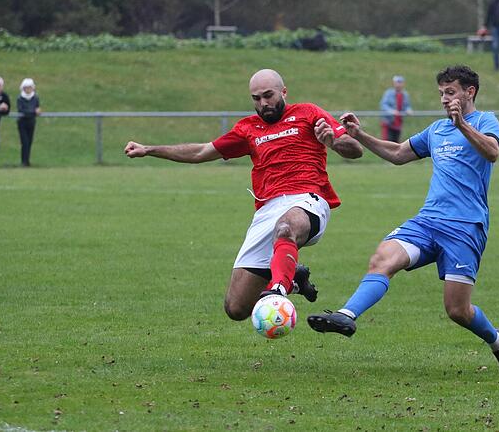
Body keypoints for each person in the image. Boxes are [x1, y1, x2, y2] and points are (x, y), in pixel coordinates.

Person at [308, 65, 499, 372]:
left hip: (465, 227)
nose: (445, 99)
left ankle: (498, 341)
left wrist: (462, 125)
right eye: (442, 94)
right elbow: (397, 153)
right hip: (428, 221)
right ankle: (346, 315)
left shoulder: (486, 121)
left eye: (451, 92)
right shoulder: (436, 130)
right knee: (383, 257)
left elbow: (492, 152)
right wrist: (360, 135)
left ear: (469, 92)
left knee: (457, 310)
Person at [124, 69, 362, 321]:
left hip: (307, 198)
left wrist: (332, 142)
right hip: (267, 208)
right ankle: (292, 279)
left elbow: (355, 150)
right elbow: (200, 152)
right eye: (256, 98)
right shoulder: (247, 128)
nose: (263, 103)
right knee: (236, 308)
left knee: (286, 228)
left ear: (283, 92)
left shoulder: (308, 113)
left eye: (268, 95)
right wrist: (149, 149)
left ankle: (279, 288)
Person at [379, 75, 413, 143]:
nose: (398, 84)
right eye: (397, 82)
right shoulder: (388, 93)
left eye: (400, 82)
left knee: (396, 143)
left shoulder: (405, 94)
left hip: (398, 124)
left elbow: (407, 106)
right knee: (387, 143)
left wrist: (408, 110)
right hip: (388, 123)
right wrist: (391, 111)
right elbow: (383, 105)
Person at [17, 78, 41, 167]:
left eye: (30, 87)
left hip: (31, 122)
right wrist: (34, 112)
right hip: (22, 122)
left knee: (29, 142)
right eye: (26, 88)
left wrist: (37, 111)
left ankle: (27, 161)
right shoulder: (20, 98)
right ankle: (24, 161)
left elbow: (37, 108)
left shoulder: (35, 97)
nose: (28, 89)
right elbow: (21, 110)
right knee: (25, 142)